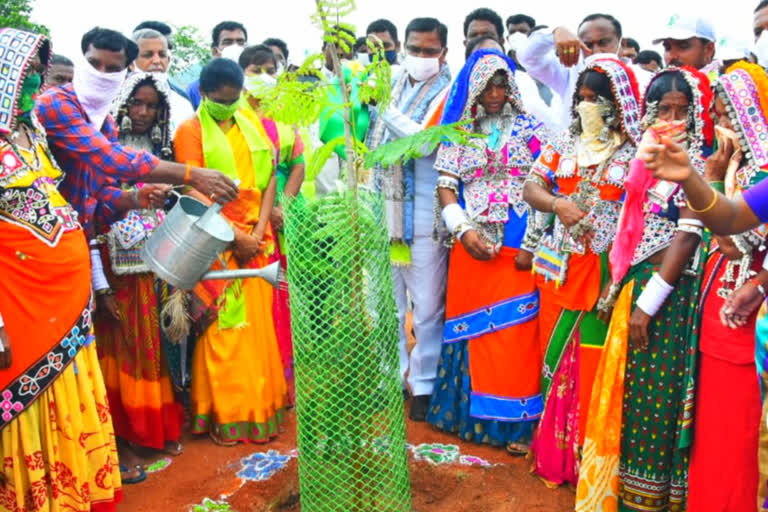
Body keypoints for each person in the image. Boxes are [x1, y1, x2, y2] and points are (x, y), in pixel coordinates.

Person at [576, 66, 714, 511]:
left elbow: (688, 233)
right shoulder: (645, 159)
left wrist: (649, 303)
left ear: (696, 115)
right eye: (663, 109)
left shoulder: (699, 162)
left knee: (657, 399)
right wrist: (617, 288)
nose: (673, 119)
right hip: (636, 290)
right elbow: (630, 231)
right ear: (648, 113)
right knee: (628, 398)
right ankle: (618, 492)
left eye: (682, 111)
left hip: (670, 299)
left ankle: (648, 499)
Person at [0, 27, 122, 510]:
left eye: (38, 72)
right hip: (21, 304)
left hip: (67, 301)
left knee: (70, 387)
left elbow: (76, 197)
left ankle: (76, 489)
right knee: (26, 394)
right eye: (24, 73)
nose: (34, 83)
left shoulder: (34, 133)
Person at [523, 58, 642, 484]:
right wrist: (556, 203)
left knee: (593, 362)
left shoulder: (636, 152)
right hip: (561, 268)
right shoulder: (563, 143)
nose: (586, 107)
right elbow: (531, 187)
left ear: (618, 104)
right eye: (582, 99)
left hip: (611, 274)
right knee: (554, 356)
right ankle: (557, 455)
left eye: (596, 100)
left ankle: (589, 460)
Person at [426, 49, 549, 452]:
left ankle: (514, 425)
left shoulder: (532, 129)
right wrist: (461, 230)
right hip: (472, 244)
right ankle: (469, 421)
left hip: (519, 243)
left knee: (516, 335)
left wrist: (533, 243)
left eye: (501, 84)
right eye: (486, 86)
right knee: (471, 333)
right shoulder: (460, 132)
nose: (494, 93)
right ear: (473, 90)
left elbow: (548, 182)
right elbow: (446, 184)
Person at [35, 27, 238, 243]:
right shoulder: (56, 103)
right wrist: (192, 175)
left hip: (76, 235)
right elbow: (110, 159)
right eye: (94, 64)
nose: (100, 74)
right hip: (42, 233)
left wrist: (134, 198)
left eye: (112, 69)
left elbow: (100, 190)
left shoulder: (105, 122)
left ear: (123, 74)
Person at [174, 58, 287, 446]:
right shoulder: (189, 131)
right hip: (215, 242)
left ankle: (260, 410)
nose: (230, 106)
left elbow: (272, 176)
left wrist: (257, 231)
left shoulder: (250, 122)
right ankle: (226, 416)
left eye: (235, 99)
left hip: (257, 242)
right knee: (222, 332)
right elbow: (193, 189)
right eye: (222, 101)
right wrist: (234, 236)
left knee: (255, 331)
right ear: (203, 94)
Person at [683, 61, 767, 512]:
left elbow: (733, 243)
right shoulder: (737, 161)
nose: (722, 123)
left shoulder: (762, 170)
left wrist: (712, 179)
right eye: (718, 114)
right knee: (713, 420)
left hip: (748, 313)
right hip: (717, 305)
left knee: (740, 423)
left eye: (732, 115)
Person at [92, 72, 184, 484]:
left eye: (152, 106)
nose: (144, 112)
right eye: (137, 104)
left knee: (152, 345)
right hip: (113, 268)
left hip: (153, 264)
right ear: (123, 105)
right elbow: (92, 209)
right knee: (121, 347)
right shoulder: (104, 148)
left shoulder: (163, 149)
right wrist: (102, 285)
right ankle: (123, 434)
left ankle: (152, 430)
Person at [366, 17, 452, 421]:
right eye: (414, 50)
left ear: (444, 54)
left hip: (424, 214)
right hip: (383, 210)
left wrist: (381, 110)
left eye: (429, 51)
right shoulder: (392, 83)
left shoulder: (451, 91)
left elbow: (423, 141)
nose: (421, 58)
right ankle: (390, 378)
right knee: (388, 304)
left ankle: (424, 385)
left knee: (430, 307)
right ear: (403, 48)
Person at [239, 44, 306, 405]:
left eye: (269, 69)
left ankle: (283, 385)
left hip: (282, 220)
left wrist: (284, 204)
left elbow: (299, 164)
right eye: (254, 69)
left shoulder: (285, 115)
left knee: (282, 302)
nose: (263, 77)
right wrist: (264, 212)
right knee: (253, 302)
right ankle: (255, 384)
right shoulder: (230, 116)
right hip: (246, 222)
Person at [517, 13, 652, 132]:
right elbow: (528, 58)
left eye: (604, 42)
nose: (596, 51)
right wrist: (554, 33)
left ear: (621, 42)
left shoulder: (643, 80)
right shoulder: (569, 73)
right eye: (588, 45)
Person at [131, 28, 195, 134]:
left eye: (162, 55)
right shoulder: (115, 101)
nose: (157, 61)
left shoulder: (183, 104)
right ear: (131, 63)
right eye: (148, 55)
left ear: (168, 60)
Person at [186, 21, 248, 109]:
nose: (235, 46)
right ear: (215, 52)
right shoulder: (196, 89)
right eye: (228, 42)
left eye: (240, 42)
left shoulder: (258, 86)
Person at [652, 13, 717, 76]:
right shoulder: (659, 84)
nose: (671, 56)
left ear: (708, 50)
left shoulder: (720, 85)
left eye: (683, 46)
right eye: (667, 48)